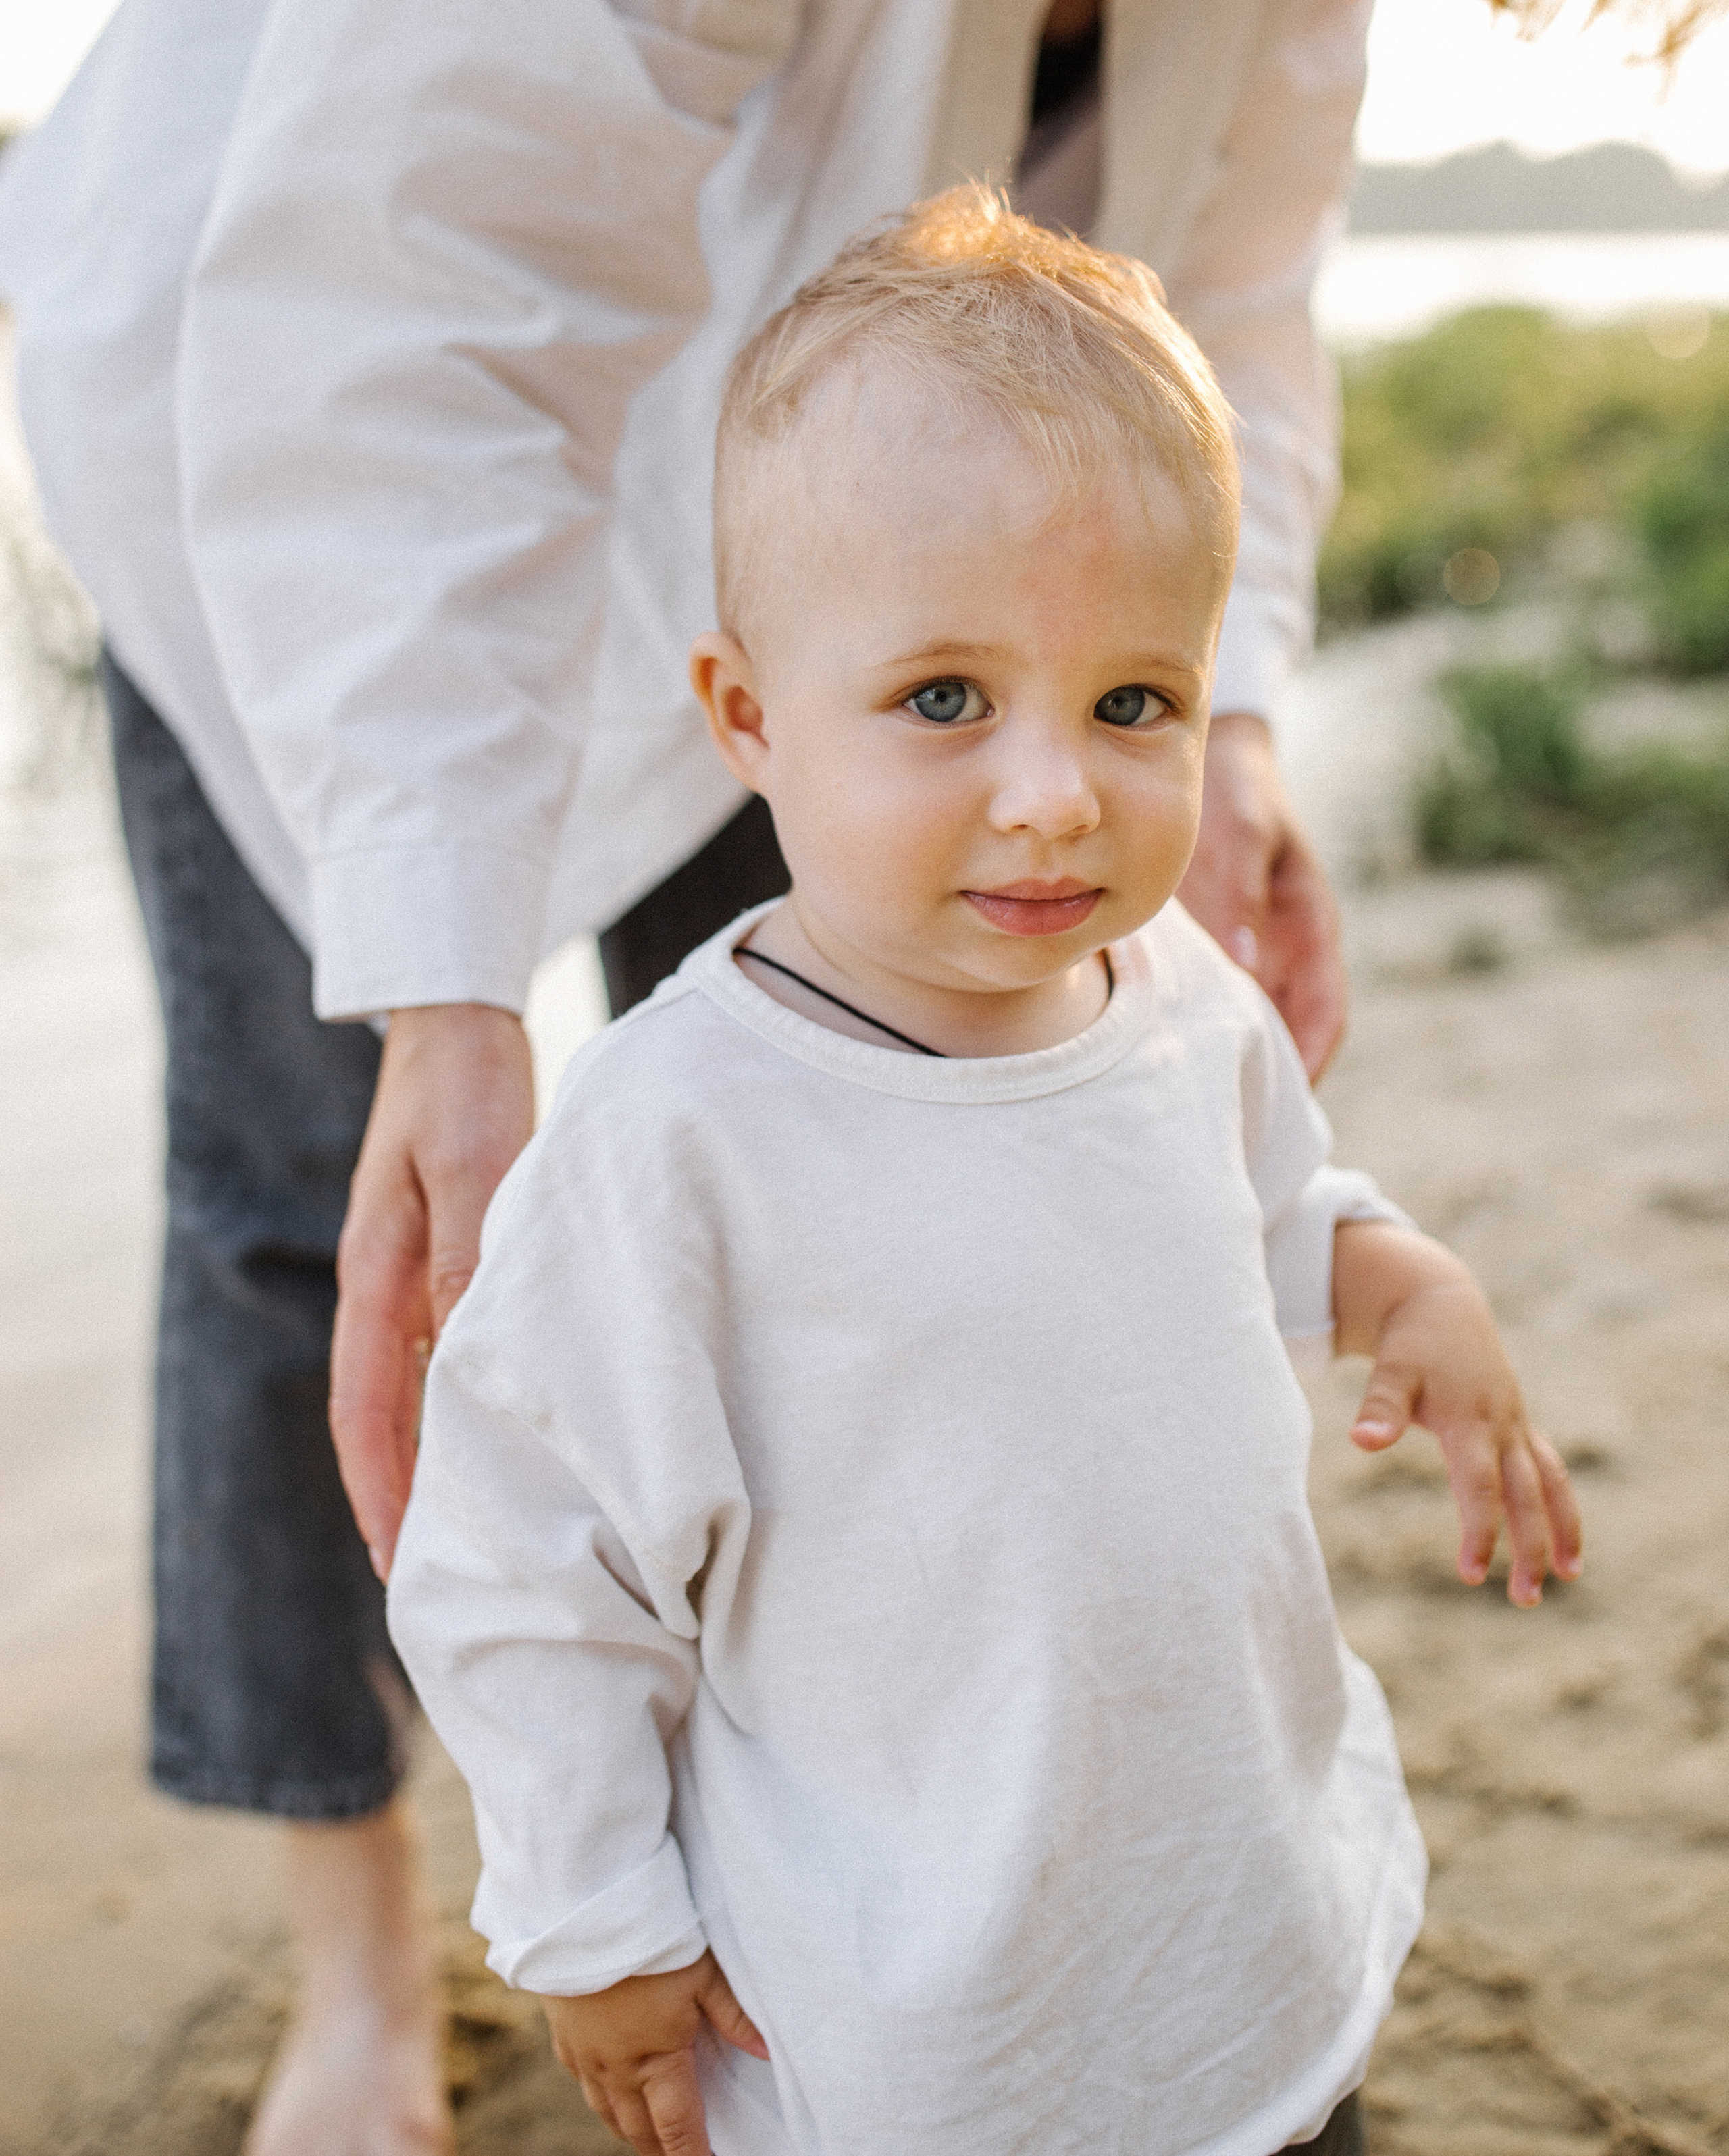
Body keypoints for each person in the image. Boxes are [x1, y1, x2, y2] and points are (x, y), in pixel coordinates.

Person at [0, 2, 1367, 2146]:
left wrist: (1233, 708)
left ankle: (833, 1861)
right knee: (321, 1220)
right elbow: (420, 263)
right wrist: (447, 995)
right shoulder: (363, 342)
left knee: (822, 1242)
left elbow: (1245, 289)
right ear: (743, 703)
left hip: (902, 557)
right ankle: (366, 1948)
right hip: (307, 393)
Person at [387, 190, 1582, 2156]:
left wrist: (1399, 1279)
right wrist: (590, 1915)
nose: (1055, 791)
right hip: (922, 2009)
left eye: (1136, 701)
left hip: (1228, 1917)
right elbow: (528, 1562)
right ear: (750, 720)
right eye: (945, 698)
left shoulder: (1176, 988)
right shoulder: (675, 1136)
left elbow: (1267, 1208)